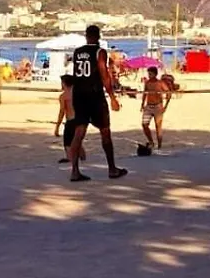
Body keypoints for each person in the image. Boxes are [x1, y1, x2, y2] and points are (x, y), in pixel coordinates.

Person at [69, 25, 128, 181]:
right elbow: (104, 74)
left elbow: (76, 74)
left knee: (79, 132)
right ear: (98, 36)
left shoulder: (77, 52)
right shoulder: (100, 52)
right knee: (105, 130)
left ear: (86, 36)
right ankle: (112, 169)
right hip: (94, 95)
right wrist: (112, 97)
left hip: (79, 94)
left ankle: (74, 171)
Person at [140, 66, 170, 151]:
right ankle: (151, 141)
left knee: (158, 126)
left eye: (150, 74)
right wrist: (142, 104)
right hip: (149, 106)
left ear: (155, 74)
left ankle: (159, 145)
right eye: (148, 74)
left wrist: (165, 106)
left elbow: (168, 93)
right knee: (144, 124)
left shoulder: (160, 83)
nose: (149, 75)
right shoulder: (147, 83)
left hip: (158, 106)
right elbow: (145, 93)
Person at [53, 74, 76, 164]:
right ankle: (82, 157)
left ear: (64, 83)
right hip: (79, 119)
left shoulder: (64, 96)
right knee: (77, 139)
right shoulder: (77, 93)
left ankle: (70, 158)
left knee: (67, 141)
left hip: (70, 120)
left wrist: (57, 127)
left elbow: (62, 112)